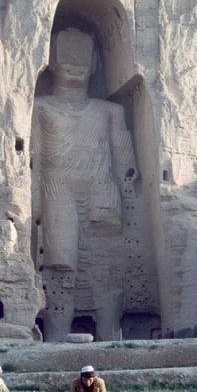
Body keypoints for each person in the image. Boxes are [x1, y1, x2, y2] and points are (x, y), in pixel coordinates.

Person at [31, 28, 138, 341]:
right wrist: (34, 202)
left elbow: (126, 162)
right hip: (57, 189)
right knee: (59, 265)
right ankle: (56, 339)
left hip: (101, 188)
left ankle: (109, 337)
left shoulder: (111, 111)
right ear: (51, 60)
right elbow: (33, 159)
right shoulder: (41, 108)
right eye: (66, 55)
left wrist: (129, 200)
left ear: (95, 63)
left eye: (82, 56)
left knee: (107, 265)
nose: (75, 64)